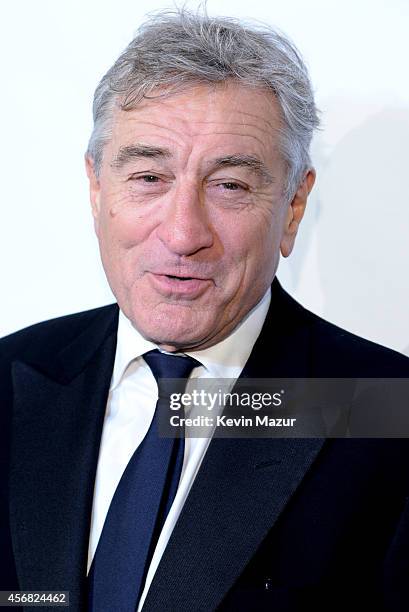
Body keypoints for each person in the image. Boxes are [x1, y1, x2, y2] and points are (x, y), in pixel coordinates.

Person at [1, 9, 409, 612]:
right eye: (148, 177)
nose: (184, 232)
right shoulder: (14, 376)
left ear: (293, 207)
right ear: (96, 189)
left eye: (230, 186)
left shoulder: (381, 409)